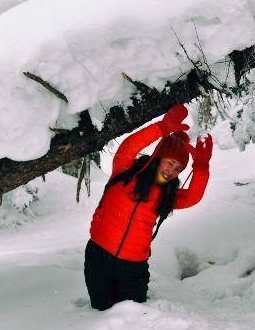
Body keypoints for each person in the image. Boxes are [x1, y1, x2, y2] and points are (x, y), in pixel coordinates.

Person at [85, 103, 213, 310]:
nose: (172, 170)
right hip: (100, 257)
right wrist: (161, 128)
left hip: (134, 267)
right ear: (159, 158)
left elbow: (193, 197)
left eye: (178, 168)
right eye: (170, 163)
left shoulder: (167, 195)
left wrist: (201, 167)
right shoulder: (125, 172)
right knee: (100, 314)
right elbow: (129, 146)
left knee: (133, 319)